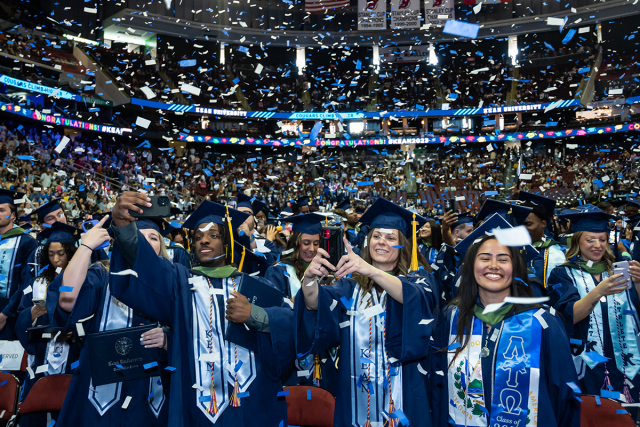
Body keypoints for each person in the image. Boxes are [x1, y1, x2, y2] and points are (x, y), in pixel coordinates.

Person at [108, 192, 293, 426]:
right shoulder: (179, 284)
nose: (204, 240)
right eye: (198, 237)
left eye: (213, 235)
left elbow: (290, 324)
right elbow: (147, 265)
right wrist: (123, 224)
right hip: (195, 405)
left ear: (227, 242)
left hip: (252, 404)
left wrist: (255, 315)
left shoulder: (258, 286)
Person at [295, 198, 437, 427]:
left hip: (405, 390)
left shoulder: (419, 278)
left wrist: (370, 269)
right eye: (377, 236)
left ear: (403, 244)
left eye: (391, 238)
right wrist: (309, 279)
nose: (382, 242)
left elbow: (416, 297)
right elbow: (314, 304)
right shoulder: (351, 287)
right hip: (357, 394)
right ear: (368, 241)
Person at [429, 234, 580, 427]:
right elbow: (438, 389)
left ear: (515, 268)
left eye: (503, 259)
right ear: (471, 267)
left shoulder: (542, 323)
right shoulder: (451, 319)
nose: (493, 265)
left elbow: (566, 396)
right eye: (484, 258)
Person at [45, 214, 169, 426]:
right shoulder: (101, 274)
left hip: (150, 388)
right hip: (99, 386)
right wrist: (85, 247)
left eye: (154, 238)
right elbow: (66, 299)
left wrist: (168, 339)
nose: (147, 242)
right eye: (138, 236)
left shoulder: (173, 281)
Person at [548, 208, 640, 409]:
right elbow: (566, 317)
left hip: (626, 366)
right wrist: (598, 292)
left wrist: (639, 284)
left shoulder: (616, 270)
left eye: (603, 239)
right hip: (585, 367)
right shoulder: (561, 274)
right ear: (578, 240)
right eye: (590, 239)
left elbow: (636, 313)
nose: (597, 245)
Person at [14, 223, 82, 427]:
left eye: (61, 254)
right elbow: (21, 316)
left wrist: (74, 332)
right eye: (51, 254)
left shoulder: (85, 280)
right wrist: (32, 314)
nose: (55, 259)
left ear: (71, 252)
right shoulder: (38, 282)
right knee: (39, 403)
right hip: (43, 351)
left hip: (73, 354)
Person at [264, 213, 338, 393]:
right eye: (306, 243)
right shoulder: (279, 271)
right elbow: (273, 313)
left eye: (316, 243)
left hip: (326, 355)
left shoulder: (330, 271)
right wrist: (305, 294)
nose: (311, 249)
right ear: (296, 242)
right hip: (292, 354)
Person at [0, 189, 39, 340]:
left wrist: (5, 314)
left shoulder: (27, 242)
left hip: (11, 313)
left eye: (2, 210)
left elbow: (27, 282)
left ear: (13, 215)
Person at [517, 191, 566, 292]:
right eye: (519, 224)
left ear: (543, 223)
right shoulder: (511, 249)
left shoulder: (559, 252)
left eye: (528, 224)